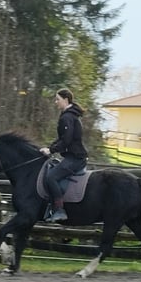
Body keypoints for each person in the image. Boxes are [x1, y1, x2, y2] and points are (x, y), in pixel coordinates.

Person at [40, 88, 88, 222]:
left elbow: (66, 140)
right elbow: (62, 139)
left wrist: (51, 150)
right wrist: (49, 148)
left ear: (66, 100)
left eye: (58, 99)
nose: (56, 102)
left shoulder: (67, 117)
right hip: (73, 156)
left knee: (51, 177)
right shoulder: (70, 115)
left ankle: (60, 210)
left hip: (75, 158)